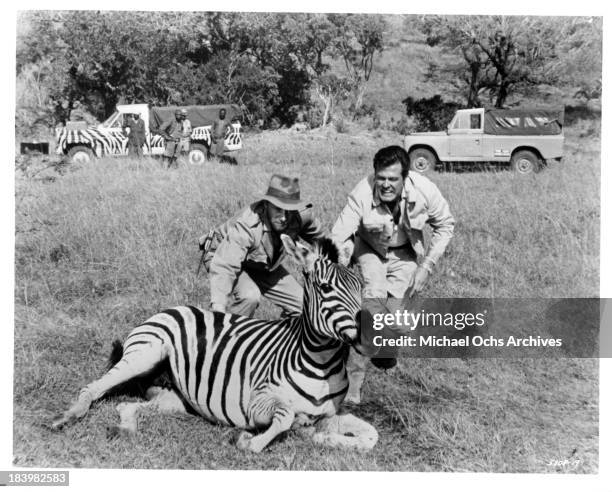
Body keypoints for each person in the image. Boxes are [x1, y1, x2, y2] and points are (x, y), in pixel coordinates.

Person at [331, 145, 455, 404]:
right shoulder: (362, 192)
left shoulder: (425, 190)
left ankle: (383, 352)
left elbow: (445, 225)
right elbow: (340, 231)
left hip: (405, 254)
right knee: (372, 307)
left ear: (405, 177)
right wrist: (335, 259)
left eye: (393, 179)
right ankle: (352, 385)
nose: (386, 185)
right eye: (381, 178)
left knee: (397, 322)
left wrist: (426, 266)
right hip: (370, 250)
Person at [200, 174, 325, 317]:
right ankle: (229, 335)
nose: (284, 217)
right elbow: (225, 264)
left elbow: (324, 242)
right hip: (223, 255)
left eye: (288, 210)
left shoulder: (300, 216)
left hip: (261, 264)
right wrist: (218, 311)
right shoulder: (248, 224)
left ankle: (281, 338)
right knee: (249, 297)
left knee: (303, 305)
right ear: (266, 205)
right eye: (278, 209)